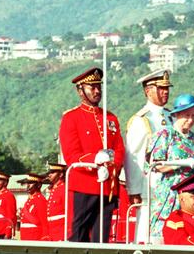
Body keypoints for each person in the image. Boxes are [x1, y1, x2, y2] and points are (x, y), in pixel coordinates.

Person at [59, 67, 125, 243]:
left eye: (98, 87)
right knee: (78, 233)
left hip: (107, 186)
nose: (97, 91)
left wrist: (112, 167)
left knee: (102, 236)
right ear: (80, 90)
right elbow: (71, 154)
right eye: (92, 87)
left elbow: (119, 149)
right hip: (84, 184)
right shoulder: (71, 118)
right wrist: (94, 161)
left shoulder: (110, 118)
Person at [147, 94, 194, 243]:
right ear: (177, 115)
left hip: (192, 193)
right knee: (167, 233)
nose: (191, 120)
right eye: (187, 115)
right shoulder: (166, 134)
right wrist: (181, 163)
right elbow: (157, 165)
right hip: (171, 193)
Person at [124, 69, 173, 243]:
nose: (165, 92)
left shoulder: (172, 116)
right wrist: (134, 189)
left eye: (166, 88)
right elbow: (133, 157)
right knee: (146, 230)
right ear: (148, 90)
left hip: (171, 183)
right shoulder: (140, 120)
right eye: (160, 88)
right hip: (150, 184)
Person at [19, 173, 48, 240]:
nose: (28, 185)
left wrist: (44, 238)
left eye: (31, 183)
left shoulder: (40, 200)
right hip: (25, 236)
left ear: (38, 185)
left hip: (35, 237)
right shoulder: (29, 200)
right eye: (27, 183)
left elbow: (44, 223)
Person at [46, 163, 68, 241]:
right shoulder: (54, 190)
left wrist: (67, 233)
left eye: (52, 172)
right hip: (52, 231)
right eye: (49, 173)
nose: (49, 175)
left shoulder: (65, 188)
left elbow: (69, 213)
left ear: (61, 174)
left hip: (61, 231)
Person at [0, 171, 16, 239]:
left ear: (5, 182)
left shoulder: (9, 195)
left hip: (3, 231)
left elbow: (11, 216)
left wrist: (8, 232)